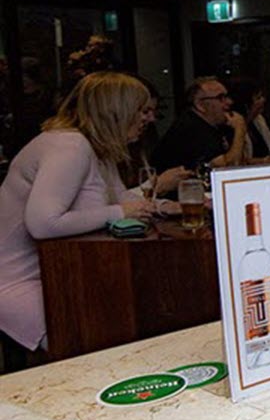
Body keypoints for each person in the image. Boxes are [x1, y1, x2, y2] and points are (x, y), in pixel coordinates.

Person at [0, 72, 157, 358]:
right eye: (141, 110)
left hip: (59, 273)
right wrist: (119, 212)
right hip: (19, 284)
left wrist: (162, 206)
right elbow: (43, 223)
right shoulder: (69, 147)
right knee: (98, 350)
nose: (149, 118)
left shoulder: (96, 146)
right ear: (116, 111)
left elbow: (122, 196)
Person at [152, 77, 247, 172]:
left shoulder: (216, 125)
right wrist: (240, 129)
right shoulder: (190, 129)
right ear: (200, 105)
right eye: (220, 98)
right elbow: (229, 168)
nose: (229, 102)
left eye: (227, 97)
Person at [227, 77, 270, 160]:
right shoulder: (232, 128)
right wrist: (264, 161)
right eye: (258, 98)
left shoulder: (260, 122)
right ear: (246, 104)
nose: (263, 100)